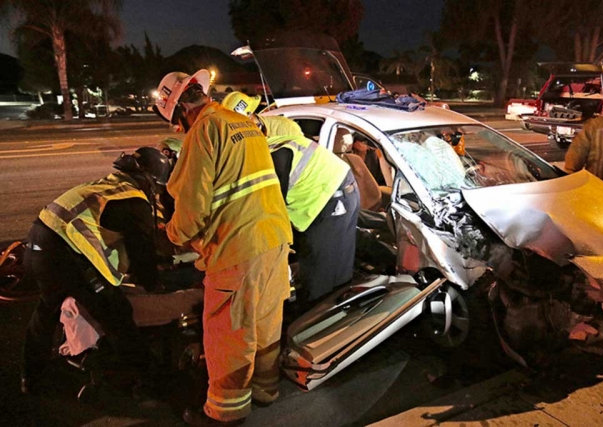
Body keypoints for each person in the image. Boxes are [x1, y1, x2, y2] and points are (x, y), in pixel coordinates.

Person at [153, 71, 292, 425]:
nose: (179, 129)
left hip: (238, 247)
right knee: (265, 325)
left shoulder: (204, 129)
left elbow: (192, 208)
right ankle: (265, 389)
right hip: (274, 237)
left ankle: (224, 414)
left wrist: (169, 235)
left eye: (175, 121)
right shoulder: (241, 122)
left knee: (229, 334)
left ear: (183, 107)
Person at [21, 147, 171, 398]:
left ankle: (31, 377)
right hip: (64, 253)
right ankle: (147, 378)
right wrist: (153, 283)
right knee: (115, 312)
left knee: (46, 310)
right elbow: (142, 252)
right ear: (148, 180)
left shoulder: (108, 185)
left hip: (37, 243)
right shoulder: (135, 200)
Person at [222, 91, 360, 303]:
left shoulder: (273, 148)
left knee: (320, 273)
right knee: (332, 264)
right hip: (335, 188)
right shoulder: (272, 131)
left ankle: (320, 324)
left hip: (329, 196)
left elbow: (272, 204)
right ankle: (336, 310)